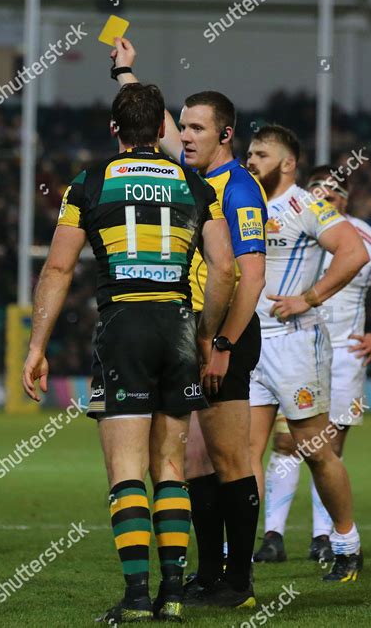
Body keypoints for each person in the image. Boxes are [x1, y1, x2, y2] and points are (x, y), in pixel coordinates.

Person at [22, 82, 236, 623]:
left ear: (115, 129)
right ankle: (173, 596)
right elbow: (225, 269)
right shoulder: (196, 184)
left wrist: (36, 347)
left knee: (125, 467)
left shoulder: (89, 184)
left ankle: (138, 598)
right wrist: (207, 333)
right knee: (169, 466)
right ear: (161, 129)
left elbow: (57, 269)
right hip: (178, 325)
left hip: (124, 327)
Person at [110, 38, 267, 607]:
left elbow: (251, 277)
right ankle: (207, 574)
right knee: (197, 459)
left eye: (198, 130)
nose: (187, 138)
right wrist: (126, 72)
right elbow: (151, 127)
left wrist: (223, 342)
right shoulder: (191, 178)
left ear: (225, 135)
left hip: (227, 337)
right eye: (185, 130)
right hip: (195, 335)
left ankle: (241, 582)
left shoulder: (240, 189)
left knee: (229, 458)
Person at [259, 164, 371, 563]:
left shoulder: (369, 239)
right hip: (291, 346)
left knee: (325, 447)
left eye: (332, 192)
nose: (324, 197)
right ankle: (272, 536)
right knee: (284, 442)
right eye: (317, 190)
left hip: (343, 359)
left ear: (345, 200)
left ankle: (323, 537)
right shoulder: (288, 223)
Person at [246, 125, 370, 582]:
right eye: (250, 152)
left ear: (287, 163)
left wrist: (310, 297)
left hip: (296, 342)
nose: (251, 160)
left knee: (315, 450)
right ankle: (236, 554)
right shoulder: (246, 201)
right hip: (251, 344)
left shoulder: (306, 205)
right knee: (245, 454)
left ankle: (346, 546)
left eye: (261, 153)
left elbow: (353, 252)